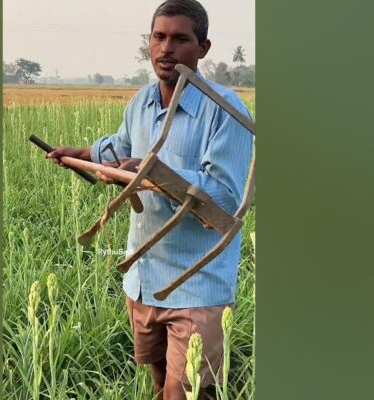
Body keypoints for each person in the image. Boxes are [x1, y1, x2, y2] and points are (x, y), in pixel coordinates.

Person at [47, 1, 252, 399]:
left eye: (180, 39)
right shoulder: (141, 101)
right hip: (143, 281)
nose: (166, 49)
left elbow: (226, 196)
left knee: (185, 393)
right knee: (160, 384)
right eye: (159, 37)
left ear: (203, 48)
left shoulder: (224, 111)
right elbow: (120, 148)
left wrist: (156, 173)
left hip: (196, 285)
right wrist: (78, 154)